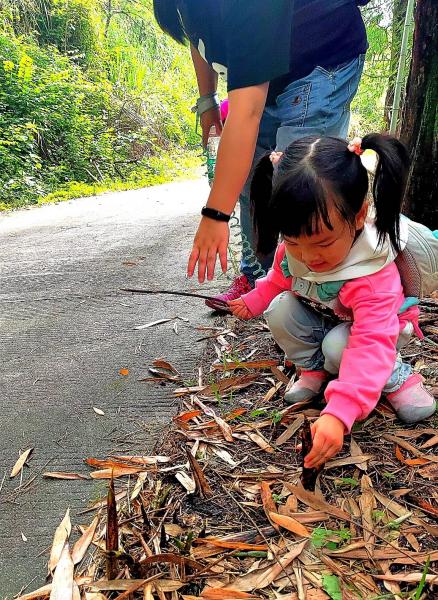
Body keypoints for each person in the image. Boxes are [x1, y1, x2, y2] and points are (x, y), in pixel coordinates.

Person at [228, 133, 436, 469]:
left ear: (359, 215)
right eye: (293, 242)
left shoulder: (371, 271)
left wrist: (340, 413)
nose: (308, 257)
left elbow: (371, 341)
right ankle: (316, 369)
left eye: (323, 243)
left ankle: (396, 376)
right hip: (331, 317)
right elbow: (279, 279)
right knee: (280, 309)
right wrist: (252, 301)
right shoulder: (297, 249)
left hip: (379, 331)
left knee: (341, 345)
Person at [153, 0, 370, 308]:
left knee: (301, 183)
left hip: (320, 61)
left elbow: (247, 113)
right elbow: (199, 37)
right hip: (264, 72)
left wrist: (216, 214)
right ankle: (257, 276)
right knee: (253, 177)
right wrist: (207, 101)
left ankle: (314, 290)